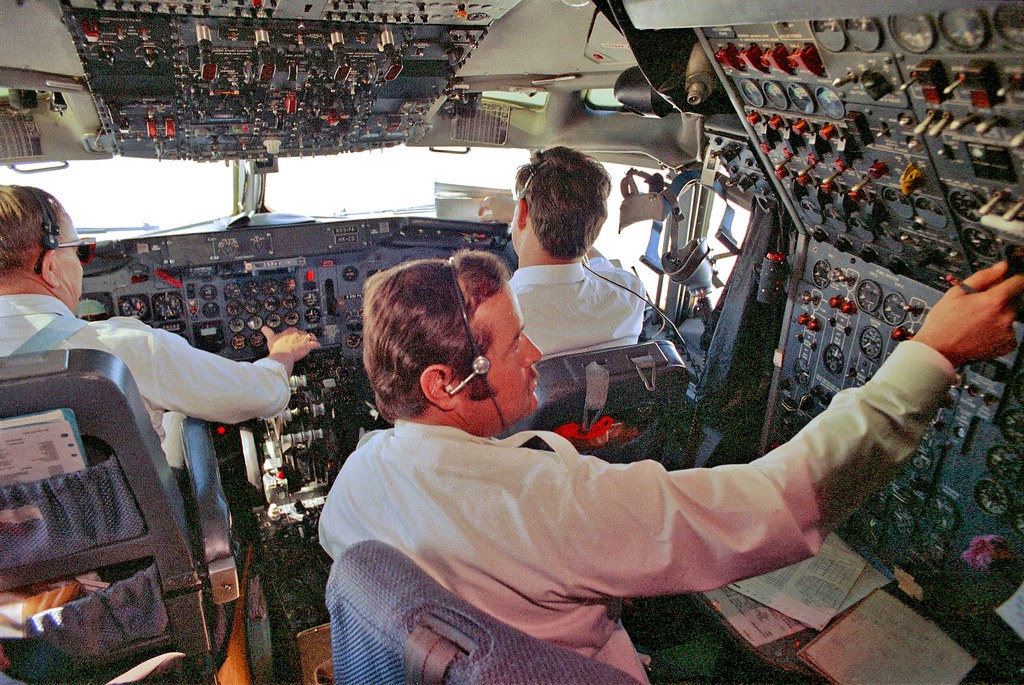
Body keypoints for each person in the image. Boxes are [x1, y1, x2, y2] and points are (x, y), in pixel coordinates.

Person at [319, 247, 1024, 684]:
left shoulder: (353, 486)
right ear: (446, 382)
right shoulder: (546, 502)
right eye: (511, 346)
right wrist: (933, 356)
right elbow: (771, 502)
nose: (534, 356)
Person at [0, 185, 319, 453]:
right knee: (180, 418)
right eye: (80, 252)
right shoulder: (120, 350)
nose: (82, 265)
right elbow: (261, 396)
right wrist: (281, 354)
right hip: (131, 522)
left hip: (41, 529)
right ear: (52, 267)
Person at [507, 146, 648, 356]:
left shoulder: (492, 317)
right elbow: (601, 266)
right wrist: (579, 228)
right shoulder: (630, 292)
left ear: (522, 212)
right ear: (597, 224)